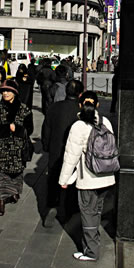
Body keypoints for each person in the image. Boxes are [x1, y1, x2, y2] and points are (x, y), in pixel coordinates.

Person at [59, 90, 116, 261]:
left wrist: (64, 179)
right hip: (107, 176)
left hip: (89, 179)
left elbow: (71, 156)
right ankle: (93, 244)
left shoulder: (79, 126)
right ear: (97, 105)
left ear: (80, 105)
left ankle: (91, 252)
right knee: (96, 212)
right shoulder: (105, 121)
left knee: (88, 214)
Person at [0, 80, 33, 215]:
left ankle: (14, 193)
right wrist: (6, 128)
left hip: (18, 149)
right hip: (0, 148)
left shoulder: (24, 109)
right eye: (4, 91)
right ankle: (1, 201)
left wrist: (18, 129)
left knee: (16, 174)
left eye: (9, 91)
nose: (6, 93)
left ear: (15, 93)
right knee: (1, 175)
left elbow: (29, 129)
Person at [42, 79, 84, 222]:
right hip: (74, 151)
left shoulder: (54, 107)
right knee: (72, 180)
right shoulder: (80, 110)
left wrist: (46, 145)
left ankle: (52, 204)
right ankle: (69, 210)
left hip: (55, 148)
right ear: (80, 94)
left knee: (53, 177)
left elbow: (46, 128)